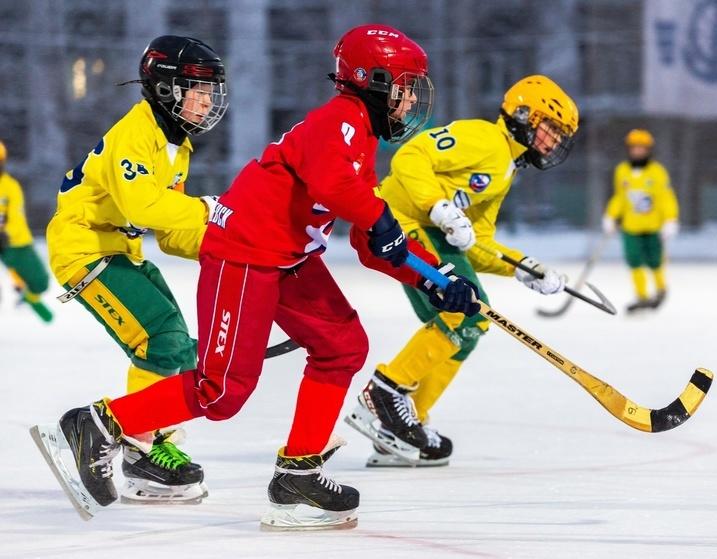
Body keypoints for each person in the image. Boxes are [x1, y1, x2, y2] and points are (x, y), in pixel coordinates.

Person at [32, 24, 480, 529]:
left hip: (285, 259)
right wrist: (377, 223)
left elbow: (366, 238)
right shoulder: (339, 121)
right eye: (403, 87)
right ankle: (99, 425)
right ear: (372, 81)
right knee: (220, 393)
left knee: (343, 345)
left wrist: (434, 278)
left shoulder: (360, 138)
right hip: (248, 255)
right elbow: (339, 191)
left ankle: (298, 475)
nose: (408, 100)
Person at [346, 75, 579, 467]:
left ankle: (402, 427)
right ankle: (385, 392)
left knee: (467, 329)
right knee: (468, 307)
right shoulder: (485, 139)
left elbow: (475, 242)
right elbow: (411, 156)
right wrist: (438, 206)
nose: (553, 142)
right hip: (402, 223)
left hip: (428, 232)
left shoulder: (505, 170)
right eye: (550, 129)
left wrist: (522, 267)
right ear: (524, 115)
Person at [43, 35, 229, 504]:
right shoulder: (138, 131)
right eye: (198, 89)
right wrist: (211, 210)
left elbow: (171, 231)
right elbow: (144, 205)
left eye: (210, 90)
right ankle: (131, 440)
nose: (208, 101)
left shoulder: (176, 145)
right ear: (167, 87)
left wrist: (232, 247)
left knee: (179, 347)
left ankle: (148, 443)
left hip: (121, 250)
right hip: (85, 248)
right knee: (159, 342)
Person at [602, 129, 679, 312]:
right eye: (634, 148)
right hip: (631, 226)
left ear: (648, 150)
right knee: (634, 260)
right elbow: (620, 197)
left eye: (641, 148)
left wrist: (670, 219)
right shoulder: (622, 171)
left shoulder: (657, 172)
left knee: (655, 260)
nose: (637, 152)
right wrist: (610, 215)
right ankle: (641, 295)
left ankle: (661, 289)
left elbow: (666, 197)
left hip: (652, 225)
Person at [0, 141, 53, 322]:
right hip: (5, 246)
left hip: (17, 243)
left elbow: (16, 215)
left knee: (41, 282)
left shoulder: (10, 186)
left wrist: (5, 235)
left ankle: (28, 298)